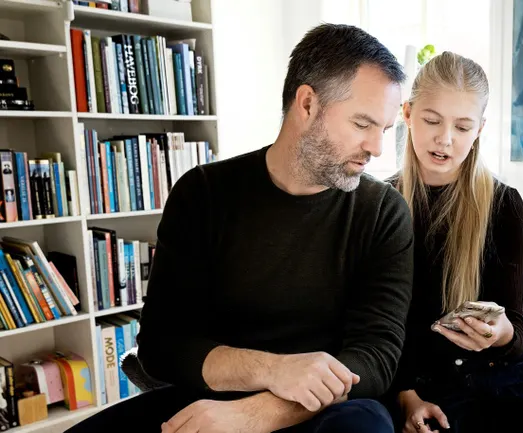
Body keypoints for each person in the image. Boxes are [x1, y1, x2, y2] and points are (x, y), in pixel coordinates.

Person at [66, 23, 414, 433]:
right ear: (307, 104)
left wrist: (256, 415)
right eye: (362, 124)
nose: (376, 148)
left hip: (329, 412)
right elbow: (162, 346)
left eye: (383, 130)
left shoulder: (383, 212)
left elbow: (375, 359)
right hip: (210, 400)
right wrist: (273, 371)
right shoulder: (203, 194)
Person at [386, 52, 523, 433]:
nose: (445, 139)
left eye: (462, 127)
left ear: (479, 129)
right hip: (424, 386)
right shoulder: (380, 204)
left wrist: (499, 333)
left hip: (508, 374)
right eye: (432, 120)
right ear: (407, 114)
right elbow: (374, 328)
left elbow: (516, 333)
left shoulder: (503, 203)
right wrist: (405, 396)